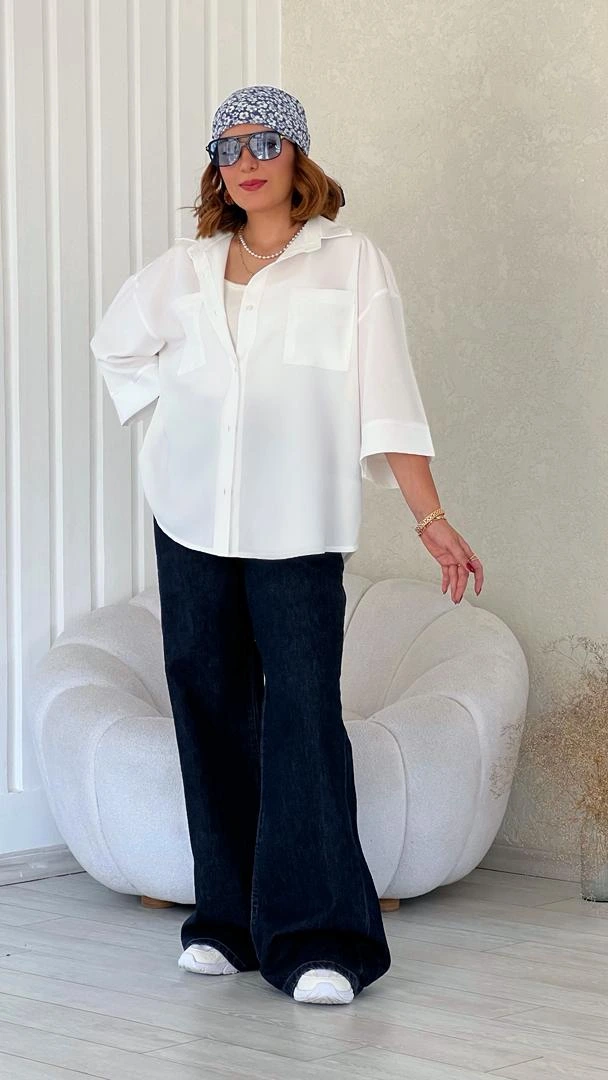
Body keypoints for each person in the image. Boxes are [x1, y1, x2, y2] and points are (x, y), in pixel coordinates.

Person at [90, 83, 484, 1006]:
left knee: (302, 715)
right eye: (228, 148)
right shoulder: (184, 271)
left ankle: (322, 940)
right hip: (191, 515)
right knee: (209, 704)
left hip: (298, 526)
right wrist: (186, 409)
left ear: (297, 155)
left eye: (265, 142)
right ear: (216, 171)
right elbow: (116, 349)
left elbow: (388, 396)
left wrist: (430, 517)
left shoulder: (350, 263)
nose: (247, 161)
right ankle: (228, 921)